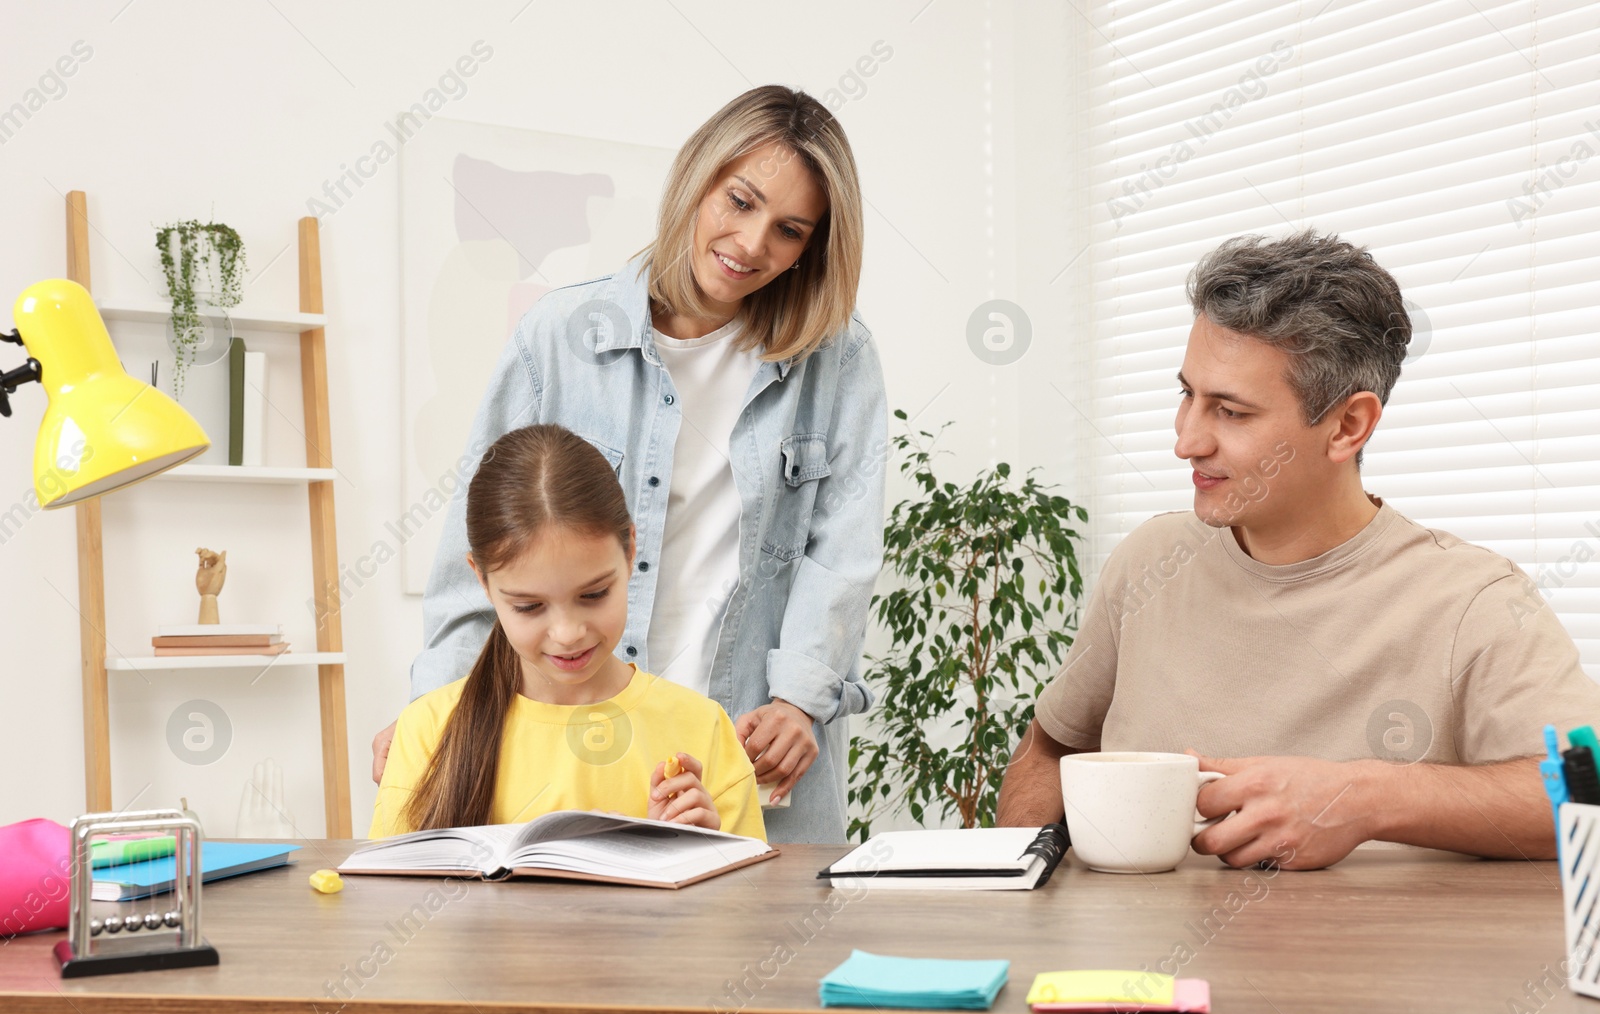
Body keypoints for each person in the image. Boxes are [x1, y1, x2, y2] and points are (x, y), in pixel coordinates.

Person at [373, 85, 886, 844]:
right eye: (738, 201)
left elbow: (841, 550)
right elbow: (476, 547)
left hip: (749, 741)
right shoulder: (559, 336)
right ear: (698, 181)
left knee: (753, 951)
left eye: (788, 230)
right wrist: (437, 715)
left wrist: (801, 699)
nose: (750, 244)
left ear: (814, 244)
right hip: (577, 733)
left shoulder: (838, 359)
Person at [997, 230, 1600, 869]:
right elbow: (1050, 749)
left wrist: (1364, 797)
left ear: (1347, 426)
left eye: (1230, 411)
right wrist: (1016, 884)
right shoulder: (1150, 561)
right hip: (1128, 971)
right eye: (1187, 396)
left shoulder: (1473, 601)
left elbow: (1585, 800)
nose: (1187, 441)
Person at [371, 424, 764, 842]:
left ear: (631, 551)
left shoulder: (702, 729)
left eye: (594, 595)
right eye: (529, 607)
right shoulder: (426, 732)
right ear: (482, 581)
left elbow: (752, 903)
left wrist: (702, 853)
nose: (567, 633)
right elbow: (390, 901)